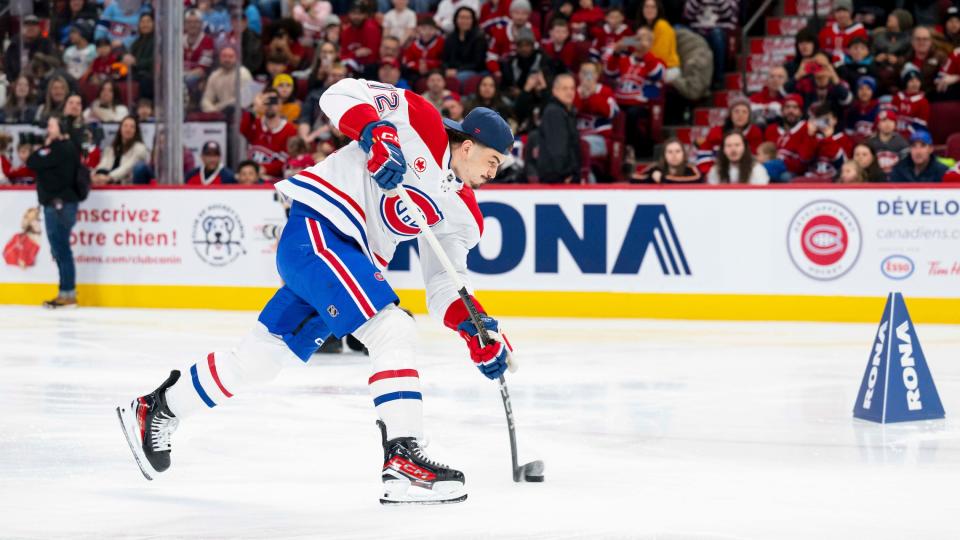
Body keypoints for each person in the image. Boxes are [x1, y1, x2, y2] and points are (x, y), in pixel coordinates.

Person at [116, 78, 516, 506]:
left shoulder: (462, 211)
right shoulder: (418, 120)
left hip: (341, 262)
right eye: (492, 161)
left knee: (261, 359)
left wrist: (475, 329)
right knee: (392, 329)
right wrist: (375, 132)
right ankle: (403, 458)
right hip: (320, 232)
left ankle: (158, 409)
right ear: (469, 146)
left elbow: (444, 284)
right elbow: (339, 93)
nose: (494, 173)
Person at [27, 117, 81, 308]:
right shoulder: (66, 148)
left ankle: (68, 293)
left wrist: (46, 146)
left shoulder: (60, 148)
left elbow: (33, 162)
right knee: (60, 249)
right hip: (60, 204)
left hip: (59, 205)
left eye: (51, 125)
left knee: (61, 249)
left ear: (61, 128)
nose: (48, 129)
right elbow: (34, 162)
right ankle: (66, 292)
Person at [604, 26, 665, 159]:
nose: (641, 42)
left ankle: (631, 150)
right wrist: (615, 53)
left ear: (651, 43)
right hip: (619, 101)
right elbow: (609, 73)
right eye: (638, 38)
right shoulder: (624, 60)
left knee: (632, 114)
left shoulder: (656, 61)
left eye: (645, 39)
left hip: (640, 104)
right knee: (611, 113)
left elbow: (657, 75)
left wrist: (645, 53)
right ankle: (615, 153)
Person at [696, 97, 764, 175]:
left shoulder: (755, 133)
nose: (740, 115)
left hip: (747, 176)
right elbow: (704, 157)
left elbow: (757, 159)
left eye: (744, 112)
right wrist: (713, 173)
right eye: (736, 111)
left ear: (749, 116)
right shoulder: (716, 132)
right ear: (730, 114)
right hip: (719, 176)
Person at [241, 88, 298, 180]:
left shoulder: (290, 129)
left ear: (280, 104)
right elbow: (242, 128)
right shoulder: (255, 123)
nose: (270, 105)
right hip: (252, 177)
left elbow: (287, 160)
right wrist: (254, 108)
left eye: (274, 101)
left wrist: (264, 169)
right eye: (267, 101)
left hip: (276, 179)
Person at [682, 0, 738, 90]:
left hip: (719, 31)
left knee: (716, 35)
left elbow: (728, 13)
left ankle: (718, 79)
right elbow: (687, 15)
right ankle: (693, 82)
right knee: (679, 30)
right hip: (697, 31)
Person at [535, 73, 580, 183]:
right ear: (555, 91)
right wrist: (566, 174)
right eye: (565, 88)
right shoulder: (555, 113)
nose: (570, 92)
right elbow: (558, 148)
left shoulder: (565, 112)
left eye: (572, 88)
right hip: (558, 179)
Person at [574, 61, 618, 164]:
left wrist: (592, 96)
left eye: (590, 73)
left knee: (578, 148)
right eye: (584, 73)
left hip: (599, 138)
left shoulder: (605, 91)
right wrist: (581, 98)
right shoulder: (573, 92)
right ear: (579, 75)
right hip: (576, 137)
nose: (587, 77)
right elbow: (571, 112)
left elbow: (610, 113)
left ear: (597, 75)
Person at [765, 93, 817, 178]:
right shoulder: (771, 129)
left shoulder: (807, 127)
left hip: (794, 172)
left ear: (800, 112)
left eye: (795, 107)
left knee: (785, 176)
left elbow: (804, 159)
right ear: (781, 111)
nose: (791, 111)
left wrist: (810, 135)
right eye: (787, 107)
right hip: (771, 167)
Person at [94, 116, 150, 185]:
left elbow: (127, 167)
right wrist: (94, 176)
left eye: (132, 127)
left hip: (126, 185)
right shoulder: (110, 149)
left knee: (140, 167)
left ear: (136, 131)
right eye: (125, 126)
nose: (128, 129)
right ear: (120, 129)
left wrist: (109, 177)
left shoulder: (140, 148)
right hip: (109, 182)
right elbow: (102, 165)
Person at [201, 46, 253, 114]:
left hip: (240, 115)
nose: (227, 59)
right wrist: (213, 111)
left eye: (230, 56)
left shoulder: (243, 74)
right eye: (224, 56)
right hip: (219, 116)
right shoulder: (214, 75)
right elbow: (206, 99)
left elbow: (243, 100)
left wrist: (219, 107)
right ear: (219, 58)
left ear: (237, 58)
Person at [443, 7, 488, 84]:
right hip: (454, 70)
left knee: (458, 78)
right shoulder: (450, 38)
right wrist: (447, 69)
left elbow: (478, 63)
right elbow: (445, 59)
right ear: (456, 19)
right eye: (461, 17)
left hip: (475, 71)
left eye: (468, 18)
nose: (464, 21)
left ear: (473, 20)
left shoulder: (479, 38)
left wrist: (457, 70)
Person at [4, 15, 56, 80]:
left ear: (39, 28)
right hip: (16, 80)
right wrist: (11, 81)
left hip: (40, 80)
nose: (30, 28)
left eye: (33, 26)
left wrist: (43, 57)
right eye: (27, 25)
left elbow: (55, 61)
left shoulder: (45, 42)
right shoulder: (14, 43)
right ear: (22, 28)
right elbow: (8, 65)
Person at [809, 104, 852, 178]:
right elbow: (805, 160)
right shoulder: (814, 137)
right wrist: (810, 136)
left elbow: (843, 163)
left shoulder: (843, 138)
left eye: (826, 120)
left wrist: (828, 138)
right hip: (812, 177)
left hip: (834, 178)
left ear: (835, 120)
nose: (823, 123)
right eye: (820, 119)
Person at [632, 138, 701, 183]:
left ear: (683, 154)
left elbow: (698, 179)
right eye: (670, 152)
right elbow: (634, 177)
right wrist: (651, 177)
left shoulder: (691, 169)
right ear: (664, 155)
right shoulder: (656, 168)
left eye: (678, 151)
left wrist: (663, 179)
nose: (674, 155)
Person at [638, 0, 679, 74]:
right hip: (650, 64)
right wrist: (625, 42)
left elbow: (661, 55)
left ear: (658, 10)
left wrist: (641, 53)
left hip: (667, 68)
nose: (649, 10)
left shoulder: (662, 25)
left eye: (653, 7)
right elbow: (636, 41)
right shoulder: (645, 27)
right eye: (646, 7)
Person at [866, 109, 908, 175]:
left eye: (891, 120)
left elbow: (906, 166)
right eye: (884, 120)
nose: (888, 124)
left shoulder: (902, 143)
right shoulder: (870, 143)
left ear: (895, 124)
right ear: (878, 124)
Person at [891, 68, 929, 138]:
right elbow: (891, 116)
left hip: (913, 135)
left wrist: (907, 133)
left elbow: (922, 124)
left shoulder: (923, 101)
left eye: (917, 81)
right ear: (906, 83)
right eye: (911, 81)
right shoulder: (897, 97)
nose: (915, 84)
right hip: (895, 133)